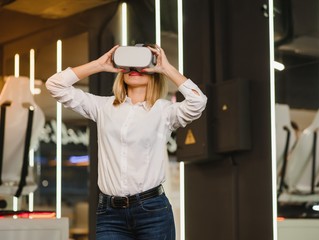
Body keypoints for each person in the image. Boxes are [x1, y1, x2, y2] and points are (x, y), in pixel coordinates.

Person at [46, 44, 207, 240]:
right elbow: (55, 85)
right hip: (110, 214)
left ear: (153, 71)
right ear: (121, 72)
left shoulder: (164, 111)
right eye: (129, 65)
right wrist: (99, 65)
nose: (134, 69)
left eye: (141, 64)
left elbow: (198, 102)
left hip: (152, 210)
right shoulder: (102, 107)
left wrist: (167, 69)